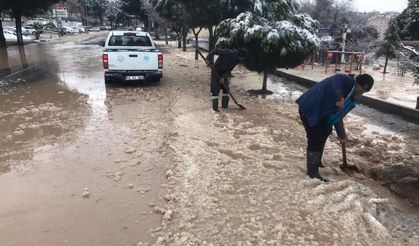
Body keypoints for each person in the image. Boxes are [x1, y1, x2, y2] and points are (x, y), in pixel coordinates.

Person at [296, 73, 374, 182]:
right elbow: (336, 80)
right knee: (315, 137)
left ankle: (317, 162)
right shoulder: (346, 81)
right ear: (358, 83)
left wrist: (342, 135)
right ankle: (312, 172)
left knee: (326, 131)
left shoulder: (351, 98)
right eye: (362, 90)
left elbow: (337, 117)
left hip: (322, 113)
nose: (361, 93)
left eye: (364, 92)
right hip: (311, 108)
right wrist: (339, 96)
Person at [205, 48, 248, 112]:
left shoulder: (237, 60)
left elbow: (229, 69)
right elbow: (215, 50)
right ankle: (215, 110)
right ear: (240, 56)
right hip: (216, 71)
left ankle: (225, 109)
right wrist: (208, 58)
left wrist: (223, 76)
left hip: (224, 73)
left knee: (226, 90)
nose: (243, 60)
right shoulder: (227, 52)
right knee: (215, 90)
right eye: (243, 58)